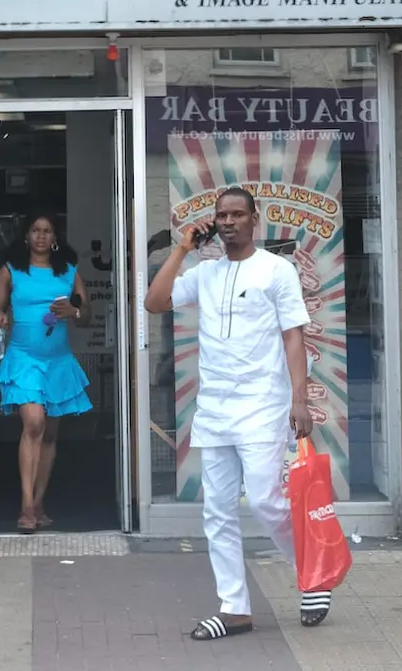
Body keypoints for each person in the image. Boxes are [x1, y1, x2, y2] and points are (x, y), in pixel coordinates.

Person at [145, 186, 331, 639]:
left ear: (254, 219)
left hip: (263, 406)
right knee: (219, 512)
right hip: (215, 410)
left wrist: (299, 399)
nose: (227, 222)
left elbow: (293, 335)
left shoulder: (276, 269)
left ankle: (311, 572)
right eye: (221, 216)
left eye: (236, 215)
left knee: (267, 501)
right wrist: (183, 248)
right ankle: (235, 609)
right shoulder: (205, 273)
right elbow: (154, 302)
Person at [0, 213, 93, 532]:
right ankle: (25, 507)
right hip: (24, 358)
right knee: (33, 422)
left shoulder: (69, 273)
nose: (41, 236)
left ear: (55, 237)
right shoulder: (11, 271)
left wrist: (74, 311)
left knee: (49, 433)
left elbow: (86, 316)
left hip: (58, 361)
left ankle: (38, 501)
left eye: (47, 231)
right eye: (35, 230)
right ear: (26, 236)